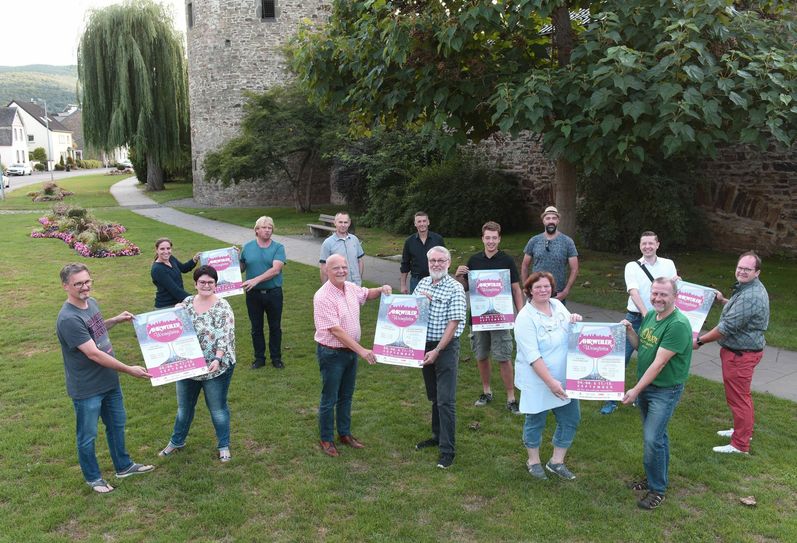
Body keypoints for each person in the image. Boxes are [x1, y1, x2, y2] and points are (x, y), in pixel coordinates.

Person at [56, 263, 154, 494]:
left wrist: (115, 320)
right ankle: (93, 478)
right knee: (87, 435)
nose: (84, 287)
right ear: (65, 286)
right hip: (88, 388)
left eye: (87, 281)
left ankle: (124, 466)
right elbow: (93, 353)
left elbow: (95, 330)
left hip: (108, 382)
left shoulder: (92, 303)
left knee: (117, 426)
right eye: (78, 283)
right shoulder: (68, 319)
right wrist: (129, 369)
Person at [621, 277, 693, 510]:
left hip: (664, 389)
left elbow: (659, 364)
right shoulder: (651, 315)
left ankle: (658, 489)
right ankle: (652, 477)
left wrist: (635, 389)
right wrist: (631, 331)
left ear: (675, 297)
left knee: (653, 438)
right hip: (647, 386)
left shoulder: (678, 324)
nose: (657, 298)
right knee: (656, 437)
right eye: (655, 294)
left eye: (663, 295)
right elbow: (643, 346)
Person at [313, 254, 392, 457]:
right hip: (332, 354)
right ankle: (326, 439)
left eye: (344, 267)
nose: (341, 271)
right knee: (330, 397)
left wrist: (382, 290)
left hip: (349, 353)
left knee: (346, 396)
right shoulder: (323, 296)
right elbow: (336, 331)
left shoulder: (350, 287)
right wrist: (362, 350)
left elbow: (367, 294)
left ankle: (345, 434)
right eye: (336, 268)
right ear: (326, 271)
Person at [158, 265, 237, 462]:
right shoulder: (186, 303)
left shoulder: (222, 306)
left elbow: (224, 336)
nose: (206, 285)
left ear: (216, 284)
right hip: (189, 367)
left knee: (217, 409)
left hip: (215, 367)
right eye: (202, 282)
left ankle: (224, 446)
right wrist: (173, 314)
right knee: (184, 408)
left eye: (211, 282)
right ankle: (176, 441)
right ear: (195, 284)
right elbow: (173, 330)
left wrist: (218, 358)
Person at [694, 251, 769, 455]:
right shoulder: (749, 289)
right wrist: (722, 300)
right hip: (741, 352)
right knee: (739, 397)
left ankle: (740, 445)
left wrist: (699, 341)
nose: (742, 271)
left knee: (739, 399)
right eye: (740, 267)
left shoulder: (752, 295)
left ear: (757, 272)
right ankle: (741, 430)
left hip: (740, 355)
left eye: (747, 269)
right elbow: (740, 310)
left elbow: (725, 327)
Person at [514, 272, 583, 480]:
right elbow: (533, 356)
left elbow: (569, 333)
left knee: (571, 419)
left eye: (546, 286)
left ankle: (556, 462)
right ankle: (533, 461)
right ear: (529, 290)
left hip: (564, 377)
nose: (543, 290)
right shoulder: (525, 318)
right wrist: (550, 382)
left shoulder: (558, 306)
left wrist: (575, 321)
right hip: (538, 380)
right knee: (536, 419)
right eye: (538, 287)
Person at [601, 231, 678, 415]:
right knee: (620, 359)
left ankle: (640, 395)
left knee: (650, 359)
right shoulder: (632, 266)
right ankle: (610, 400)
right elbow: (633, 292)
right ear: (640, 245)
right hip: (635, 317)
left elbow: (675, 288)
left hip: (662, 318)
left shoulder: (668, 264)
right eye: (644, 243)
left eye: (651, 243)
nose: (647, 247)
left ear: (658, 244)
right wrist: (647, 314)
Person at [455, 221, 524, 413]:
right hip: (478, 318)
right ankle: (487, 392)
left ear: (499, 238)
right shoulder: (474, 260)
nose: (491, 241)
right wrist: (458, 275)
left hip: (501, 318)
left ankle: (511, 397)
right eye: (488, 238)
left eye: (494, 238)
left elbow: (516, 289)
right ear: (482, 239)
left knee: (503, 356)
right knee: (481, 355)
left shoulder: (507, 261)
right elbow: (463, 288)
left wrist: (521, 315)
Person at [413, 246, 467, 469]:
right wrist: (420, 301)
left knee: (446, 400)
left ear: (449, 262)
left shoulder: (455, 288)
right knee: (434, 396)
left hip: (444, 348)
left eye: (441, 260)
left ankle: (448, 450)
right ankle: (437, 436)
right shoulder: (423, 283)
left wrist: (437, 351)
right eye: (433, 260)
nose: (436, 264)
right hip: (424, 346)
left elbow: (453, 324)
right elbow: (411, 311)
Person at [240, 216, 286, 369]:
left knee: (275, 327)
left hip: (274, 293)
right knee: (256, 328)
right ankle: (259, 358)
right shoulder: (247, 247)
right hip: (253, 295)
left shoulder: (278, 247)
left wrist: (255, 280)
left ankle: (276, 358)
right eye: (264, 227)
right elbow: (240, 268)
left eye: (270, 228)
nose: (267, 230)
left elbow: (275, 270)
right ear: (257, 230)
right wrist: (230, 258)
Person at [520, 205, 579, 303]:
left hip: (557, 295)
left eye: (554, 218)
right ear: (543, 221)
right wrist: (526, 287)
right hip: (536, 293)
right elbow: (524, 266)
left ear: (558, 221)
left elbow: (575, 268)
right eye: (548, 218)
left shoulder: (568, 242)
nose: (551, 221)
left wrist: (566, 291)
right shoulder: (534, 241)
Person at [400, 211, 445, 294]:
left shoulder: (438, 239)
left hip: (435, 279)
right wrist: (403, 285)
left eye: (424, 221)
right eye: (419, 221)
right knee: (417, 306)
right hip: (416, 281)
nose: (422, 224)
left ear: (428, 222)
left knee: (436, 306)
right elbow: (405, 264)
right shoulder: (409, 242)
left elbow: (445, 261)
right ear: (415, 224)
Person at [151, 237, 199, 308]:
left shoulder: (171, 258)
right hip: (166, 306)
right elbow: (174, 289)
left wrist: (194, 259)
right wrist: (195, 299)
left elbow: (183, 268)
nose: (166, 251)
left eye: (168, 248)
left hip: (178, 303)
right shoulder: (157, 269)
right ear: (156, 250)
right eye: (162, 249)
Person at [319, 212, 365, 286]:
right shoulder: (328, 243)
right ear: (335, 223)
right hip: (338, 286)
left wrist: (359, 278)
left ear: (349, 223)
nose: (343, 225)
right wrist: (325, 287)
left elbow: (360, 260)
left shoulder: (354, 239)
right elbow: (323, 267)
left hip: (356, 285)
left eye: (345, 222)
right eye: (340, 222)